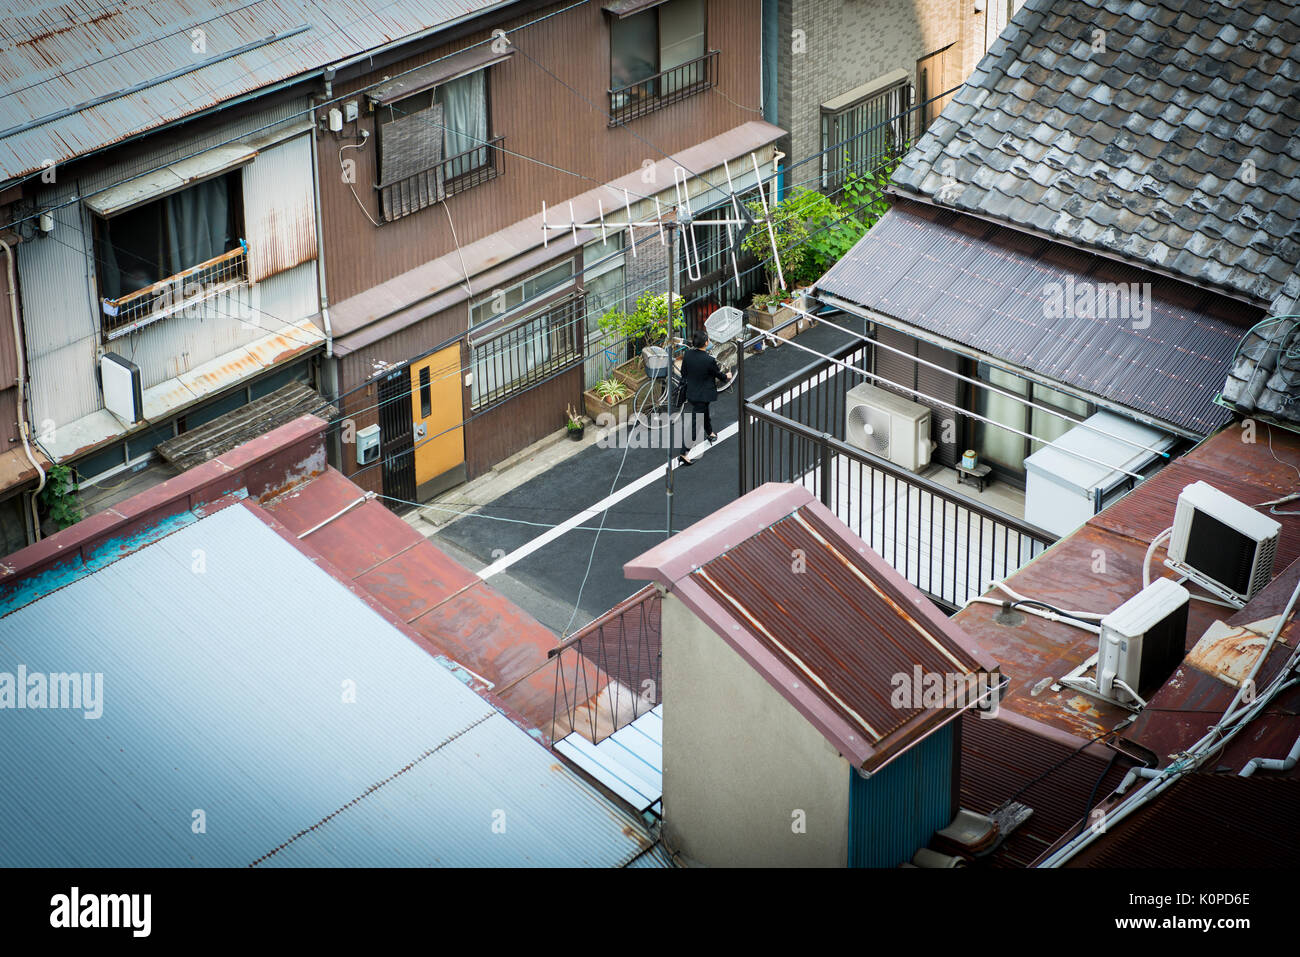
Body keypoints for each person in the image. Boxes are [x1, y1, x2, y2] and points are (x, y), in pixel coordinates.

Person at [673, 329, 732, 468]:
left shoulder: (687, 355)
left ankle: (710, 433)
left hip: (691, 393)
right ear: (706, 343)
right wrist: (727, 376)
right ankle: (683, 453)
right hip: (703, 394)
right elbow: (718, 375)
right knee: (695, 424)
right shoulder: (709, 360)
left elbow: (684, 373)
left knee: (704, 413)